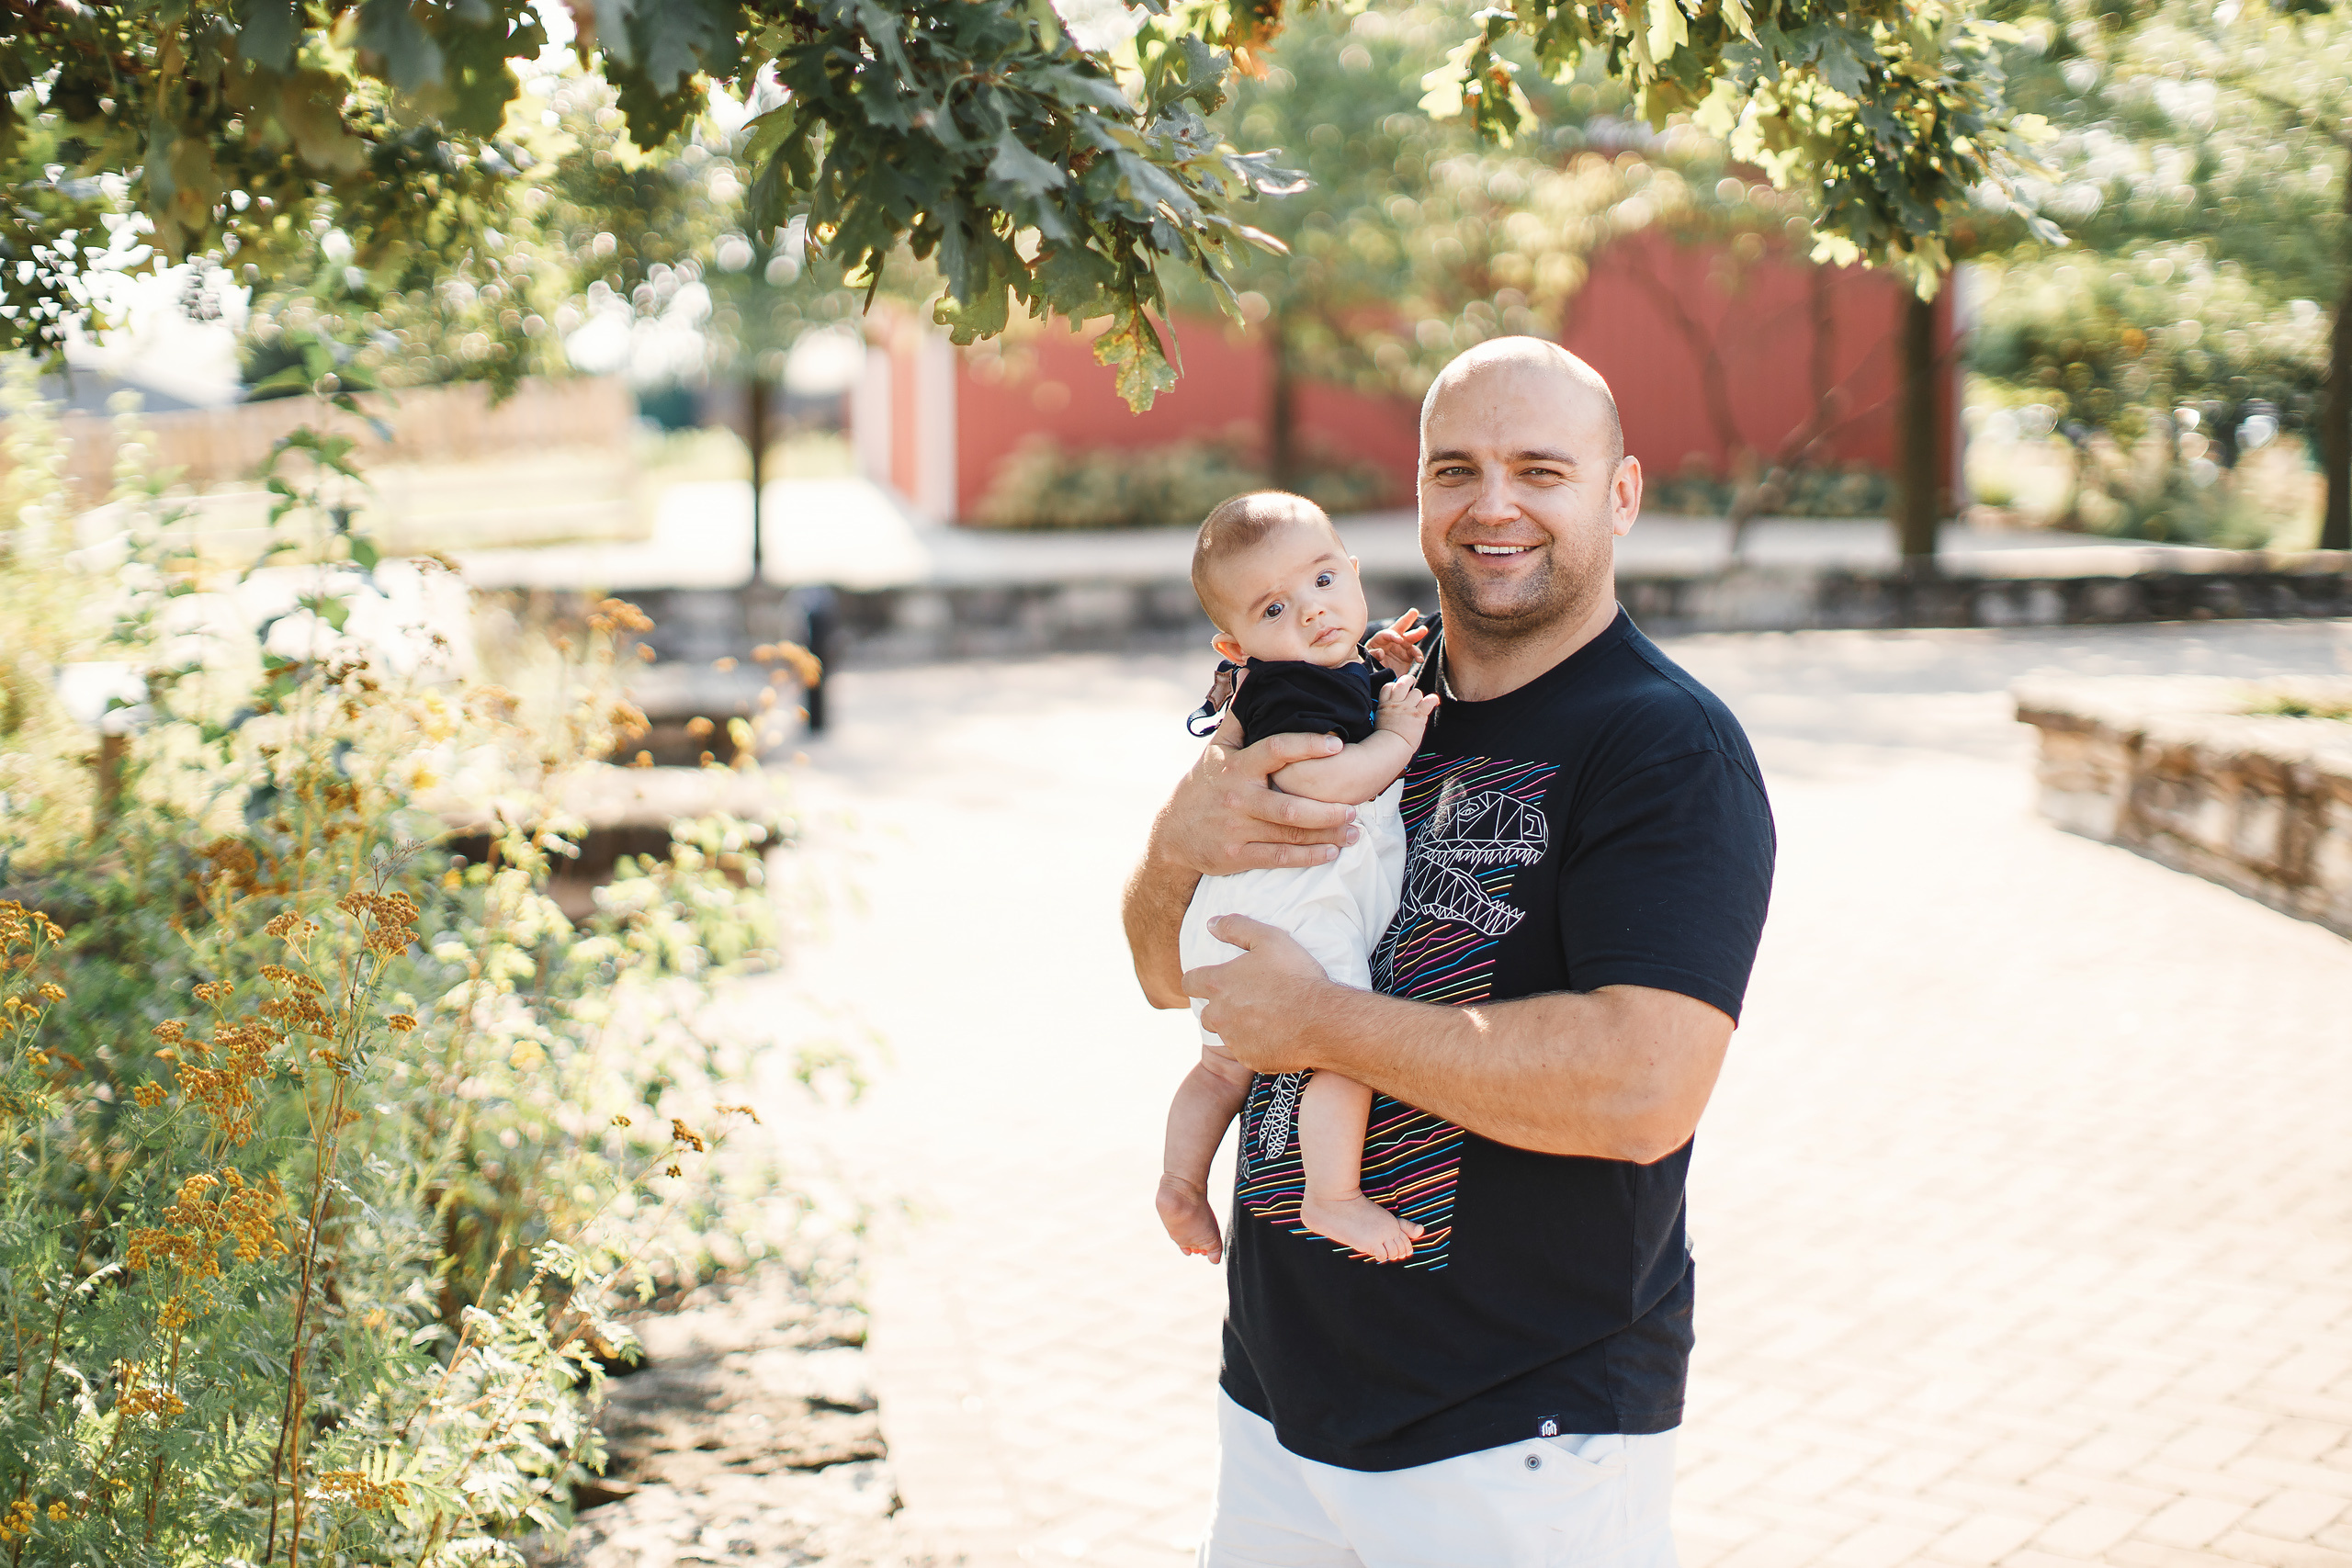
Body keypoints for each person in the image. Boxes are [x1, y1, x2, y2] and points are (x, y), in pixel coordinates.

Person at [1120, 337, 1776, 1566]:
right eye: (1456, 468)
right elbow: (1173, 975)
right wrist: (1173, 845)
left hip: (1514, 1445)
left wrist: (1318, 1023)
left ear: (1620, 494)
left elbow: (1644, 1088)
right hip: (1275, 1405)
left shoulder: (1666, 748)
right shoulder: (1340, 695)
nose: (1493, 504)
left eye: (1542, 469)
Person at [1160, 491, 1442, 1268]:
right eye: (1276, 607)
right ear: (1237, 643)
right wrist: (1396, 733)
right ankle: (1332, 1193)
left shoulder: (1315, 670)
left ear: (1352, 573)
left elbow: (1336, 675)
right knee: (1347, 1041)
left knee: (1221, 1065)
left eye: (1324, 581)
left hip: (1236, 909)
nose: (1314, 613)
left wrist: (1371, 657)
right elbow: (1326, 781)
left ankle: (1180, 1178)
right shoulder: (1291, 689)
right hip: (1296, 906)